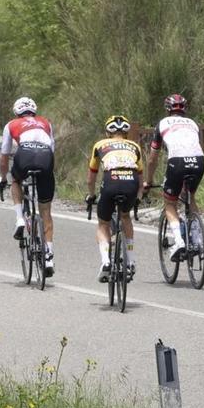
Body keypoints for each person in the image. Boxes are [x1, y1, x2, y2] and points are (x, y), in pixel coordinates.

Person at [0, 97, 56, 277]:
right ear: (34, 111)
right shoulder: (46, 123)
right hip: (46, 158)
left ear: (17, 112)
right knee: (45, 211)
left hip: (25, 154)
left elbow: (4, 156)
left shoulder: (12, 124)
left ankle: (20, 219)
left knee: (15, 180)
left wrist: (3, 177)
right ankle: (49, 258)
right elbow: (52, 150)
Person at [142, 94, 204, 262]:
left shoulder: (162, 124)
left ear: (168, 109)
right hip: (199, 161)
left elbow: (152, 158)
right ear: (184, 109)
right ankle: (199, 241)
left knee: (170, 203)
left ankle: (178, 242)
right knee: (190, 197)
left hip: (177, 162)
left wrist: (148, 180)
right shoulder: (193, 124)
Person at [85, 115, 142, 283]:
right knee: (125, 216)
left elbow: (91, 178)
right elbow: (140, 179)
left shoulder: (100, 145)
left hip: (111, 182)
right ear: (126, 133)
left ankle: (105, 262)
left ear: (107, 132)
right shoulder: (134, 146)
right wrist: (137, 198)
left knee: (103, 223)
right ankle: (130, 261)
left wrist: (91, 195)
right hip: (130, 182)